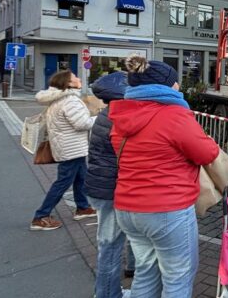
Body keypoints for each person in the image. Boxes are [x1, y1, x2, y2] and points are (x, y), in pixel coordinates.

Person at [110, 56, 219, 298]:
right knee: (178, 276)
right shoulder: (173, 116)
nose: (178, 85)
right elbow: (207, 153)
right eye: (175, 81)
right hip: (167, 210)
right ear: (167, 86)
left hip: (127, 208)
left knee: (146, 272)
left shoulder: (121, 116)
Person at [85, 72, 135, 298]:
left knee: (113, 241)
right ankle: (107, 294)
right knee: (110, 245)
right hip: (112, 190)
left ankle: (123, 277)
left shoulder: (106, 115)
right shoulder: (119, 120)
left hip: (103, 187)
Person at [30, 70, 97, 230]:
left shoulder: (57, 100)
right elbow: (82, 124)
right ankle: (41, 216)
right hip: (71, 148)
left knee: (81, 178)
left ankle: (83, 207)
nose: (79, 79)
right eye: (75, 78)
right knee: (63, 182)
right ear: (68, 83)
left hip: (68, 146)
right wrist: (100, 117)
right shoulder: (70, 100)